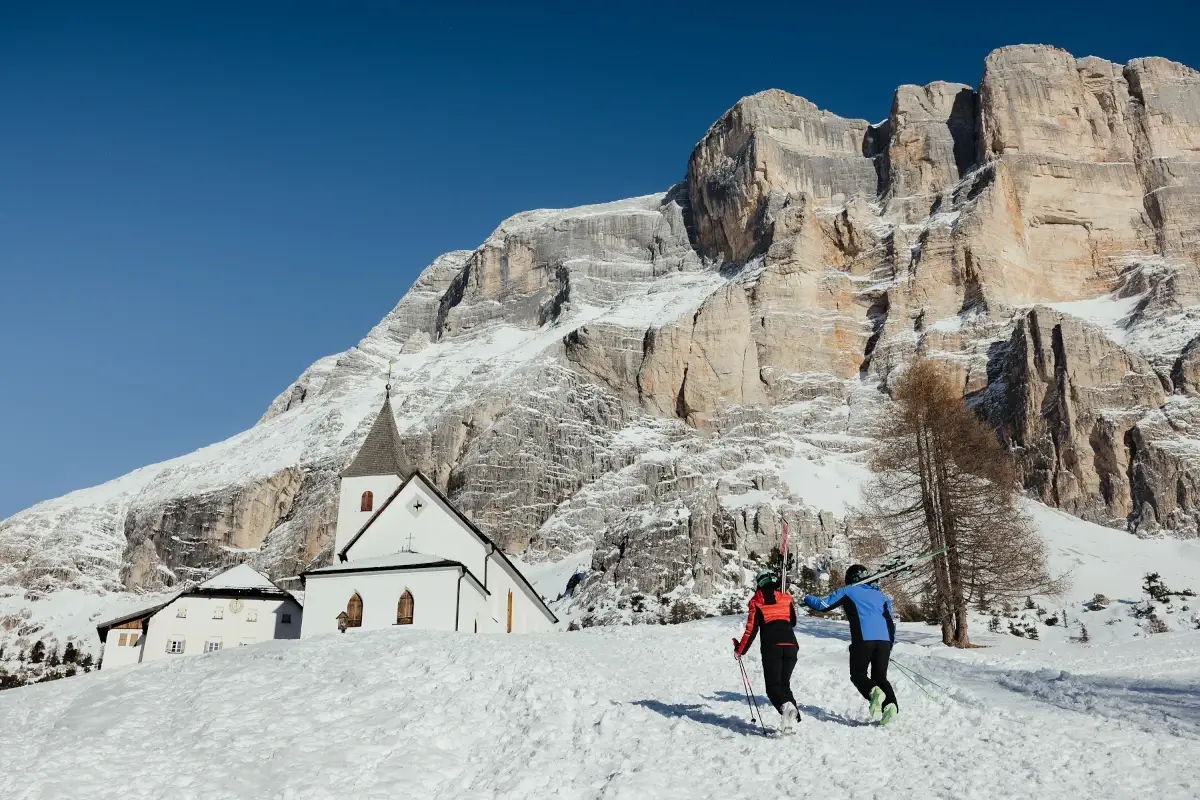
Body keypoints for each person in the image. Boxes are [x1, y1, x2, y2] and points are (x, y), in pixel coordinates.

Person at [802, 564, 899, 725]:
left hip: (863, 639)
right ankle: (890, 707)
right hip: (884, 642)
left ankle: (872, 691)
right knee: (880, 677)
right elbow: (891, 623)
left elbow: (823, 605)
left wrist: (806, 598)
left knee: (858, 674)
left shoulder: (848, 591)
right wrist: (889, 645)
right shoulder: (881, 597)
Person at [733, 568, 800, 733]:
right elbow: (793, 621)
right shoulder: (786, 597)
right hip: (791, 645)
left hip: (772, 646)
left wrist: (740, 650)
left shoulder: (756, 601)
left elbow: (751, 630)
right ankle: (789, 720)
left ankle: (787, 708)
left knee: (772, 687)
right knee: (784, 685)